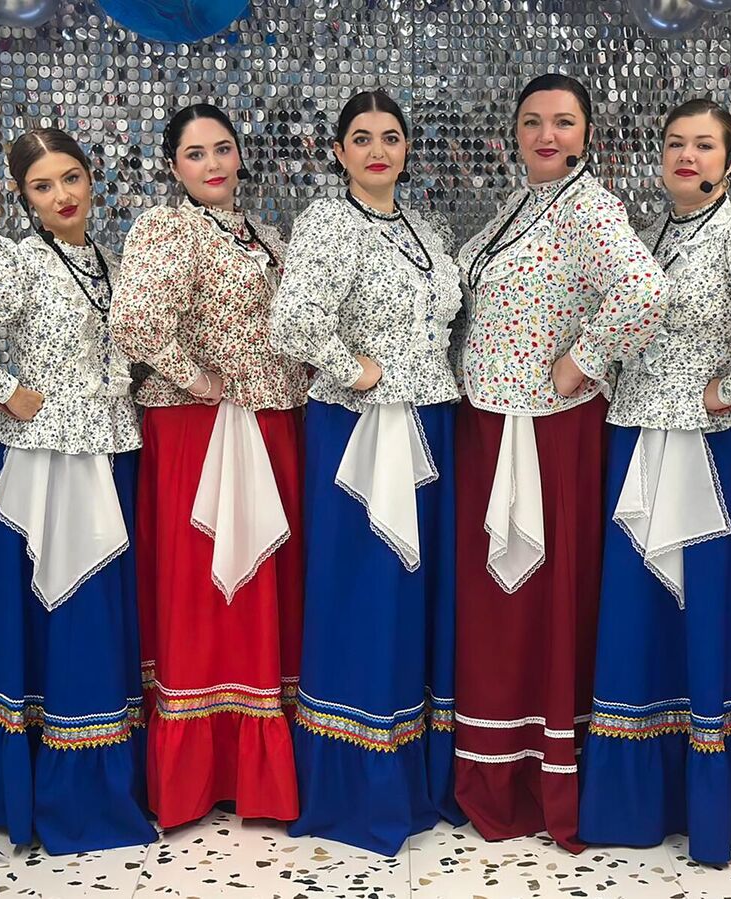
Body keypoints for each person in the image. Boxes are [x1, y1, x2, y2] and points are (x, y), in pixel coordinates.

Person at [577, 98, 731, 863]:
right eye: (676, 143)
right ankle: (635, 801)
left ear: (730, 160)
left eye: (705, 145)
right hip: (640, 442)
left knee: (708, 613)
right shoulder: (645, 236)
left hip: (718, 452)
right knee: (640, 618)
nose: (688, 156)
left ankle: (713, 799)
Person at [0, 128, 155, 854]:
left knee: (100, 623)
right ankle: (41, 794)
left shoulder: (112, 262)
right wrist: (7, 388)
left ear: (93, 178)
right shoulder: (18, 264)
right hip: (46, 461)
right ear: (24, 199)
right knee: (57, 617)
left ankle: (104, 787)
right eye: (43, 186)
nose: (64, 195)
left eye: (72, 177)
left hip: (112, 454)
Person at [452, 73, 668, 852]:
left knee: (536, 606)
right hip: (493, 429)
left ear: (587, 133)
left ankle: (537, 777)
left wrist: (584, 358)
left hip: (548, 434)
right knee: (498, 610)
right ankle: (489, 765)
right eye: (533, 121)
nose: (548, 135)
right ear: (514, 132)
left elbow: (646, 290)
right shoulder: (524, 204)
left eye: (564, 122)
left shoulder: (588, 206)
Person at [270, 89, 466, 856]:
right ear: (339, 151)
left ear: (407, 147)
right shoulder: (327, 222)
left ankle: (415, 774)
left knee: (413, 599)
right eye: (361, 137)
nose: (378, 148)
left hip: (429, 424)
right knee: (365, 597)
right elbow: (295, 318)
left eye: (391, 136)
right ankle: (357, 788)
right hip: (361, 431)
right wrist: (358, 372)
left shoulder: (424, 228)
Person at [110, 102, 308, 830]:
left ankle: (256, 767)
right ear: (173, 165)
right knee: (209, 595)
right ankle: (196, 773)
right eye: (196, 154)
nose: (214, 164)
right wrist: (198, 379)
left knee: (263, 589)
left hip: (271, 423)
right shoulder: (170, 228)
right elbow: (133, 320)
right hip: (203, 428)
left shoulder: (263, 233)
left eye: (223, 148)